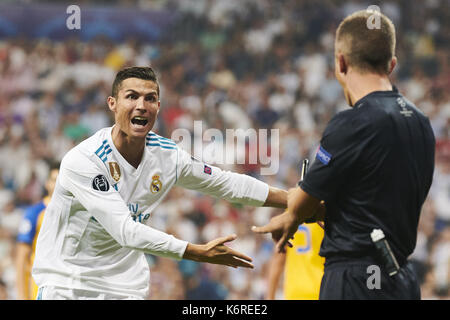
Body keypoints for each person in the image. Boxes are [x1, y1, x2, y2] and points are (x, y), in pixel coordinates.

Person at [32, 66, 287, 300]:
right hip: (68, 287)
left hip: (125, 290)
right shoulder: (85, 160)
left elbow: (226, 183)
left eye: (150, 98)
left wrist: (296, 198)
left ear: (158, 106)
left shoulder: (168, 156)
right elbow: (125, 231)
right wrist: (197, 252)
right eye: (131, 96)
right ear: (112, 103)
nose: (141, 105)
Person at [253, 10, 436, 300]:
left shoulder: (352, 123)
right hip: (402, 279)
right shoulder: (421, 122)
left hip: (356, 279)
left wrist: (291, 216)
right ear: (392, 64)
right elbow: (376, 201)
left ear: (340, 62)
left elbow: (302, 202)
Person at [15, 162, 59, 300]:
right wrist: (22, 296)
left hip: (64, 286)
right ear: (47, 183)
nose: (58, 184)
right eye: (54, 180)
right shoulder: (35, 213)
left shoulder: (75, 212)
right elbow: (22, 257)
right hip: (39, 287)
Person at [266, 223, 324, 300]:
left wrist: (270, 297)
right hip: (321, 288)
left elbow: (278, 260)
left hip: (295, 291)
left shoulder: (287, 219)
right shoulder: (324, 217)